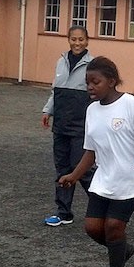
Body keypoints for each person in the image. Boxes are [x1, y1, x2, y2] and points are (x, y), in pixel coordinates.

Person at [58, 56, 134, 267]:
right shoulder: (92, 111)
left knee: (114, 226)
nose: (90, 87)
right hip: (104, 178)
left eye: (96, 82)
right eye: (88, 83)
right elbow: (90, 151)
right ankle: (122, 250)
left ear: (112, 81)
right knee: (93, 228)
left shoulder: (130, 104)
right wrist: (73, 175)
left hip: (131, 177)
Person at [41, 25, 94, 226]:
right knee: (62, 169)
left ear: (87, 41)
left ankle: (103, 210)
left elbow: (97, 95)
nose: (77, 43)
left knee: (83, 170)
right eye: (73, 39)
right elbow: (55, 92)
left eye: (81, 39)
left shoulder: (92, 65)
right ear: (68, 40)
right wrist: (48, 111)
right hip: (61, 124)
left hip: (81, 126)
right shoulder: (60, 62)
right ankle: (63, 213)